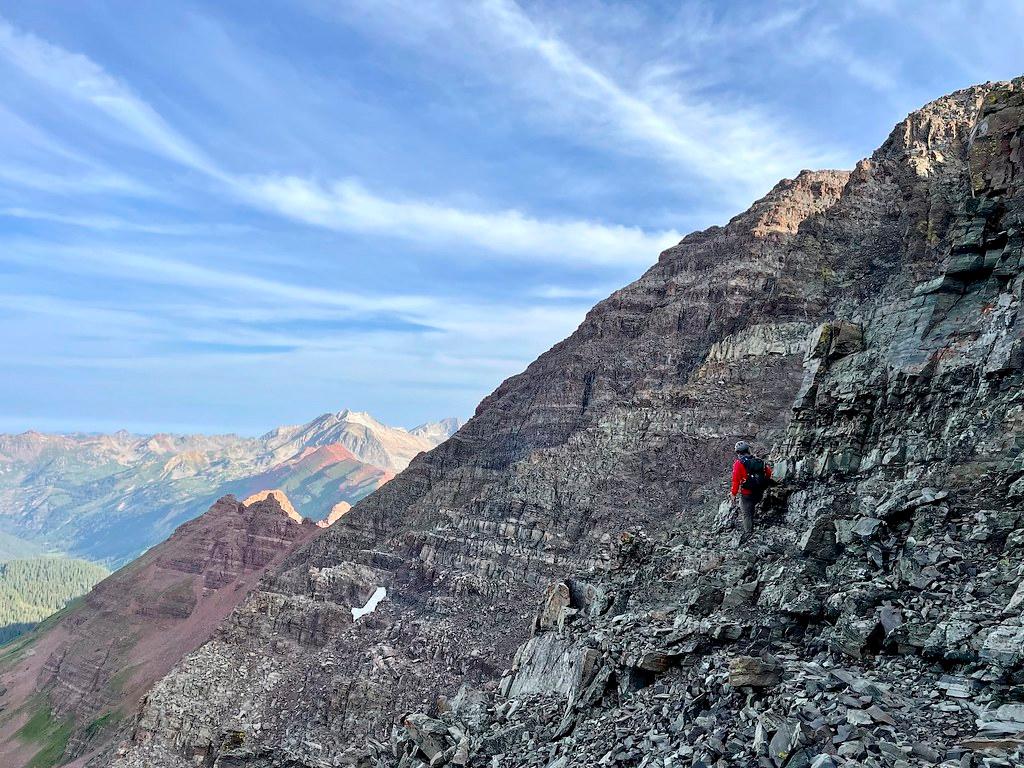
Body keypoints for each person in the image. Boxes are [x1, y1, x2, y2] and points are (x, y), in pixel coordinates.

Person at [730, 440, 773, 540]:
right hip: (759, 492)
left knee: (746, 514)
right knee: (753, 507)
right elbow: (768, 473)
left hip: (747, 494)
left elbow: (735, 480)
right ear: (748, 450)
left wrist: (733, 494)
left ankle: (749, 534)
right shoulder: (759, 461)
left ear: (738, 452)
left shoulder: (739, 464)